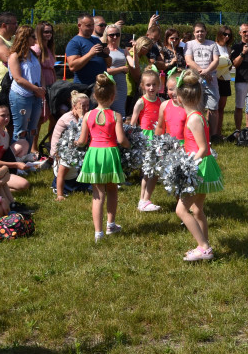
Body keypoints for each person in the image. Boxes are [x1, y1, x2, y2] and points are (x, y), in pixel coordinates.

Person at [175, 70, 224, 261]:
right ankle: (204, 245)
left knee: (181, 210)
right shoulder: (196, 115)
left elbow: (203, 148)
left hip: (199, 167)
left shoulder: (194, 118)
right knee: (197, 209)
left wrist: (187, 166)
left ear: (179, 98)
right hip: (199, 165)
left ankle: (204, 247)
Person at [76, 74, 130, 242]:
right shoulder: (116, 116)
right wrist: (130, 144)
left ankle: (98, 233)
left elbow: (83, 141)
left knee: (97, 194)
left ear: (94, 96)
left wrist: (74, 143)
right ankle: (111, 224)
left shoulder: (87, 115)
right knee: (112, 189)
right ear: (113, 97)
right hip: (110, 153)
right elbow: (121, 140)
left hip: (94, 154)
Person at [6, 25, 45, 158]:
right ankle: (16, 158)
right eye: (33, 37)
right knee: (21, 129)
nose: (35, 39)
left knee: (32, 128)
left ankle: (27, 156)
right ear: (25, 38)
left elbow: (40, 73)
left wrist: (42, 88)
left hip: (36, 95)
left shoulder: (33, 54)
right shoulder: (14, 56)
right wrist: (35, 89)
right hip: (21, 96)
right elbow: (18, 78)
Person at [129, 70, 163, 212]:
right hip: (145, 138)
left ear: (159, 85)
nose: (151, 88)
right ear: (142, 86)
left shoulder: (160, 101)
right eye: (148, 85)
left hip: (156, 137)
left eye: (154, 84)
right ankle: (143, 200)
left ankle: (144, 200)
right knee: (147, 171)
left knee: (151, 170)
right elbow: (132, 123)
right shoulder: (140, 102)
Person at [50, 91, 91, 200]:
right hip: (62, 153)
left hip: (74, 148)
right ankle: (59, 189)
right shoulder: (68, 118)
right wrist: (82, 117)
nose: (86, 108)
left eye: (88, 105)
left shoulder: (82, 116)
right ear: (74, 106)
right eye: (82, 106)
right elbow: (80, 132)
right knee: (67, 170)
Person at [184, 23, 221, 139]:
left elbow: (216, 61)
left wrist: (207, 71)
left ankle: (213, 135)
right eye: (197, 31)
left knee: (213, 107)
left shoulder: (213, 44)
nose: (200, 33)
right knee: (196, 107)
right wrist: (202, 71)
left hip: (211, 80)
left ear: (206, 32)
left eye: (202, 31)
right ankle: (199, 134)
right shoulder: (189, 44)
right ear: (194, 33)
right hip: (195, 80)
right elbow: (189, 60)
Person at [65, 14, 110, 86]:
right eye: (88, 25)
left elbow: (109, 64)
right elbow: (72, 67)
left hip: (100, 85)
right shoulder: (74, 42)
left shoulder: (96, 40)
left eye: (93, 25)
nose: (92, 28)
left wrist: (107, 55)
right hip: (84, 87)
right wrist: (90, 54)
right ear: (79, 25)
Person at [32, 22, 58, 135]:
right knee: (39, 117)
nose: (49, 34)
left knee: (53, 115)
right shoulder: (36, 49)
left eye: (50, 31)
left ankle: (50, 143)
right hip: (42, 84)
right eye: (46, 31)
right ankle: (34, 147)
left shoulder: (48, 48)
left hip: (52, 83)